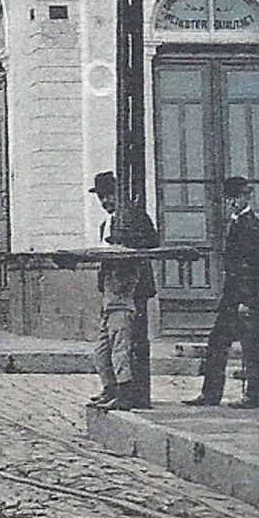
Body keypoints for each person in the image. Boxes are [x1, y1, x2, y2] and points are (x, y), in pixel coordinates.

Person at [189, 176, 259, 409]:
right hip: (232, 299)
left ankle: (254, 397)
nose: (234, 202)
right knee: (217, 344)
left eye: (238, 197)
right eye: (230, 198)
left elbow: (254, 269)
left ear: (247, 197)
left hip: (246, 299)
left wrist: (246, 301)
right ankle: (211, 395)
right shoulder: (237, 224)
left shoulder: (253, 227)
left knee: (252, 347)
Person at [87, 171, 159, 411]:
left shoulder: (133, 217)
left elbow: (150, 243)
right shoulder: (105, 223)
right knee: (101, 350)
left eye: (109, 196)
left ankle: (126, 392)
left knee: (121, 346)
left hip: (127, 289)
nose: (106, 202)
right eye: (101, 198)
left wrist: (125, 244)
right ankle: (111, 388)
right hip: (110, 290)